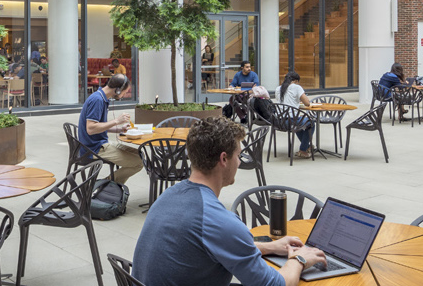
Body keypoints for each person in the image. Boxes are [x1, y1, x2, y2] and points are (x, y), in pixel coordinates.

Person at [131, 116, 326, 286]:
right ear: (224, 159)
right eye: (238, 155)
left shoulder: (170, 195)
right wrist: (299, 259)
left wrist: (270, 247)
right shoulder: (217, 220)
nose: (240, 162)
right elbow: (275, 284)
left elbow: (212, 246)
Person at [77, 73, 142, 185]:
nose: (124, 95)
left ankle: (110, 187)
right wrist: (116, 121)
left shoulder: (101, 97)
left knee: (140, 154)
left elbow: (99, 126)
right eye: (125, 92)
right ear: (117, 90)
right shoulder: (97, 100)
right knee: (139, 162)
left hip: (98, 144)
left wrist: (119, 129)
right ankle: (104, 185)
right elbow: (91, 129)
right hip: (94, 149)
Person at [274, 71, 317, 159]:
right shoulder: (296, 87)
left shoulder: (278, 88)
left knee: (300, 122)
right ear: (296, 81)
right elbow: (307, 103)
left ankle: (307, 146)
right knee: (311, 122)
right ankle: (303, 150)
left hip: (279, 121)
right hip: (291, 121)